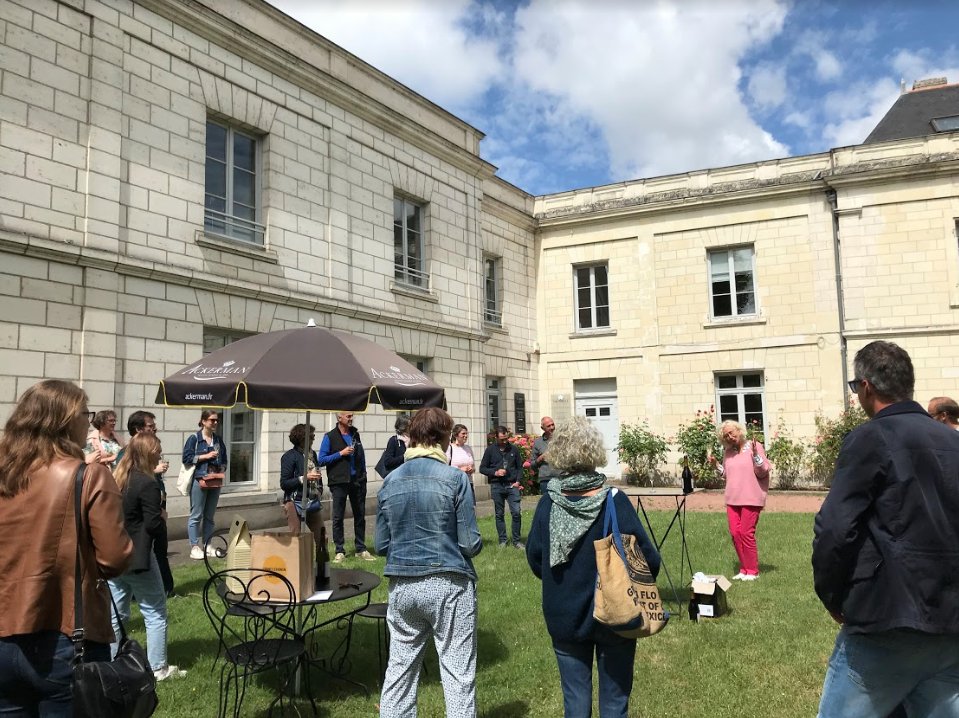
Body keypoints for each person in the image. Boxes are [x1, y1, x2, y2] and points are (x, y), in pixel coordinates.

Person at [813, 340, 959, 718]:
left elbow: (835, 528)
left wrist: (832, 596)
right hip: (949, 620)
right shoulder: (952, 441)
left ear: (866, 387)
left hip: (888, 622)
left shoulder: (870, 438)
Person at [0, 380, 133, 714]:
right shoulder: (88, 476)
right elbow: (114, 559)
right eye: (85, 414)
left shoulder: (5, 474)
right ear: (65, 419)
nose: (88, 422)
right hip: (67, 636)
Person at [526, 416, 660, 718]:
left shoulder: (548, 503)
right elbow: (648, 560)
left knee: (575, 704)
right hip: (616, 612)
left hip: (563, 612)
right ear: (594, 452)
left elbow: (536, 559)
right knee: (614, 704)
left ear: (558, 452)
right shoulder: (614, 500)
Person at [375, 407, 482, 718]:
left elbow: (381, 544)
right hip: (448, 585)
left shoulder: (390, 481)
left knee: (399, 673)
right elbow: (470, 543)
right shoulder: (455, 479)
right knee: (457, 674)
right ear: (444, 439)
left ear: (412, 438)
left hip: (402, 586)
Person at [108, 433, 186, 681]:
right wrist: (162, 516)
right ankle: (158, 668)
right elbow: (152, 524)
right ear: (148, 454)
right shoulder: (147, 483)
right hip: (139, 557)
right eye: (158, 452)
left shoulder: (118, 479)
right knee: (155, 612)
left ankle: (111, 663)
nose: (160, 456)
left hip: (115, 555)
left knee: (116, 614)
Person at [120, 411, 174, 597]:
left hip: (154, 503)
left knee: (160, 551)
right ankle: (158, 589)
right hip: (141, 521)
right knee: (155, 609)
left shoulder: (146, 473)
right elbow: (127, 478)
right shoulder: (127, 454)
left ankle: (167, 587)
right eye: (151, 426)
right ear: (139, 429)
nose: (155, 428)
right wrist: (154, 470)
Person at [710, 420, 770, 581]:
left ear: (739, 430)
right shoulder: (728, 452)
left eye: (732, 432)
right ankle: (744, 569)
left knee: (746, 533)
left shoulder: (754, 446)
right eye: (726, 435)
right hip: (732, 498)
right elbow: (727, 474)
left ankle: (753, 571)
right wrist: (716, 465)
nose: (730, 437)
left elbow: (763, 471)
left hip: (751, 497)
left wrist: (756, 455)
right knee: (735, 534)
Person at [319, 412, 373, 562]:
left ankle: (361, 549)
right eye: (348, 416)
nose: (351, 419)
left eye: (351, 416)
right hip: (339, 482)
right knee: (338, 517)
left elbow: (361, 456)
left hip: (357, 481)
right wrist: (340, 453)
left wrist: (364, 475)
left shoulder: (355, 434)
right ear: (339, 418)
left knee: (360, 515)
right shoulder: (329, 437)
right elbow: (321, 459)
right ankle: (339, 550)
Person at [182, 409, 228, 560]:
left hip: (215, 480)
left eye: (216, 420)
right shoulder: (194, 439)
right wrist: (205, 456)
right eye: (212, 420)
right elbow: (186, 458)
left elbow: (224, 459)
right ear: (203, 421)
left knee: (209, 516)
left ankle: (207, 544)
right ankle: (194, 547)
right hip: (199, 480)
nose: (215, 423)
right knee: (196, 515)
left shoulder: (218, 440)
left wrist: (222, 469)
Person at [479, 425, 525, 548]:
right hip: (497, 485)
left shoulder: (513, 449)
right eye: (502, 439)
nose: (504, 441)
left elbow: (520, 467)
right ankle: (503, 541)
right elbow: (482, 468)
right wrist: (495, 472)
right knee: (499, 514)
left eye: (506, 439)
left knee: (516, 512)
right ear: (496, 437)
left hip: (512, 485)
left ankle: (516, 541)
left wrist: (518, 481)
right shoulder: (490, 450)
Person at [280, 423, 323, 533]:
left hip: (312, 500)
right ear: (302, 438)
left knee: (322, 536)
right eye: (311, 436)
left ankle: (321, 551)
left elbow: (317, 474)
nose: (314, 438)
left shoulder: (312, 454)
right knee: (296, 536)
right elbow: (284, 483)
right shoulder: (289, 456)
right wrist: (303, 478)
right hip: (294, 502)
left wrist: (319, 490)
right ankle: (299, 551)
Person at [527, 416, 560, 492]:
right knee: (547, 502)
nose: (552, 427)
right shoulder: (538, 442)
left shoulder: (562, 439)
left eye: (553, 424)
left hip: (561, 478)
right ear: (542, 428)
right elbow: (532, 464)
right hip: (546, 479)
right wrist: (539, 459)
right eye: (548, 426)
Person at [446, 423, 476, 500]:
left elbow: (474, 467)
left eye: (466, 433)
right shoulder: (450, 448)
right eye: (463, 433)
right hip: (455, 484)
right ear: (456, 435)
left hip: (469, 483)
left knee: (471, 507)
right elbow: (445, 468)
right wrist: (461, 470)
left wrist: (471, 469)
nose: (465, 436)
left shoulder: (468, 448)